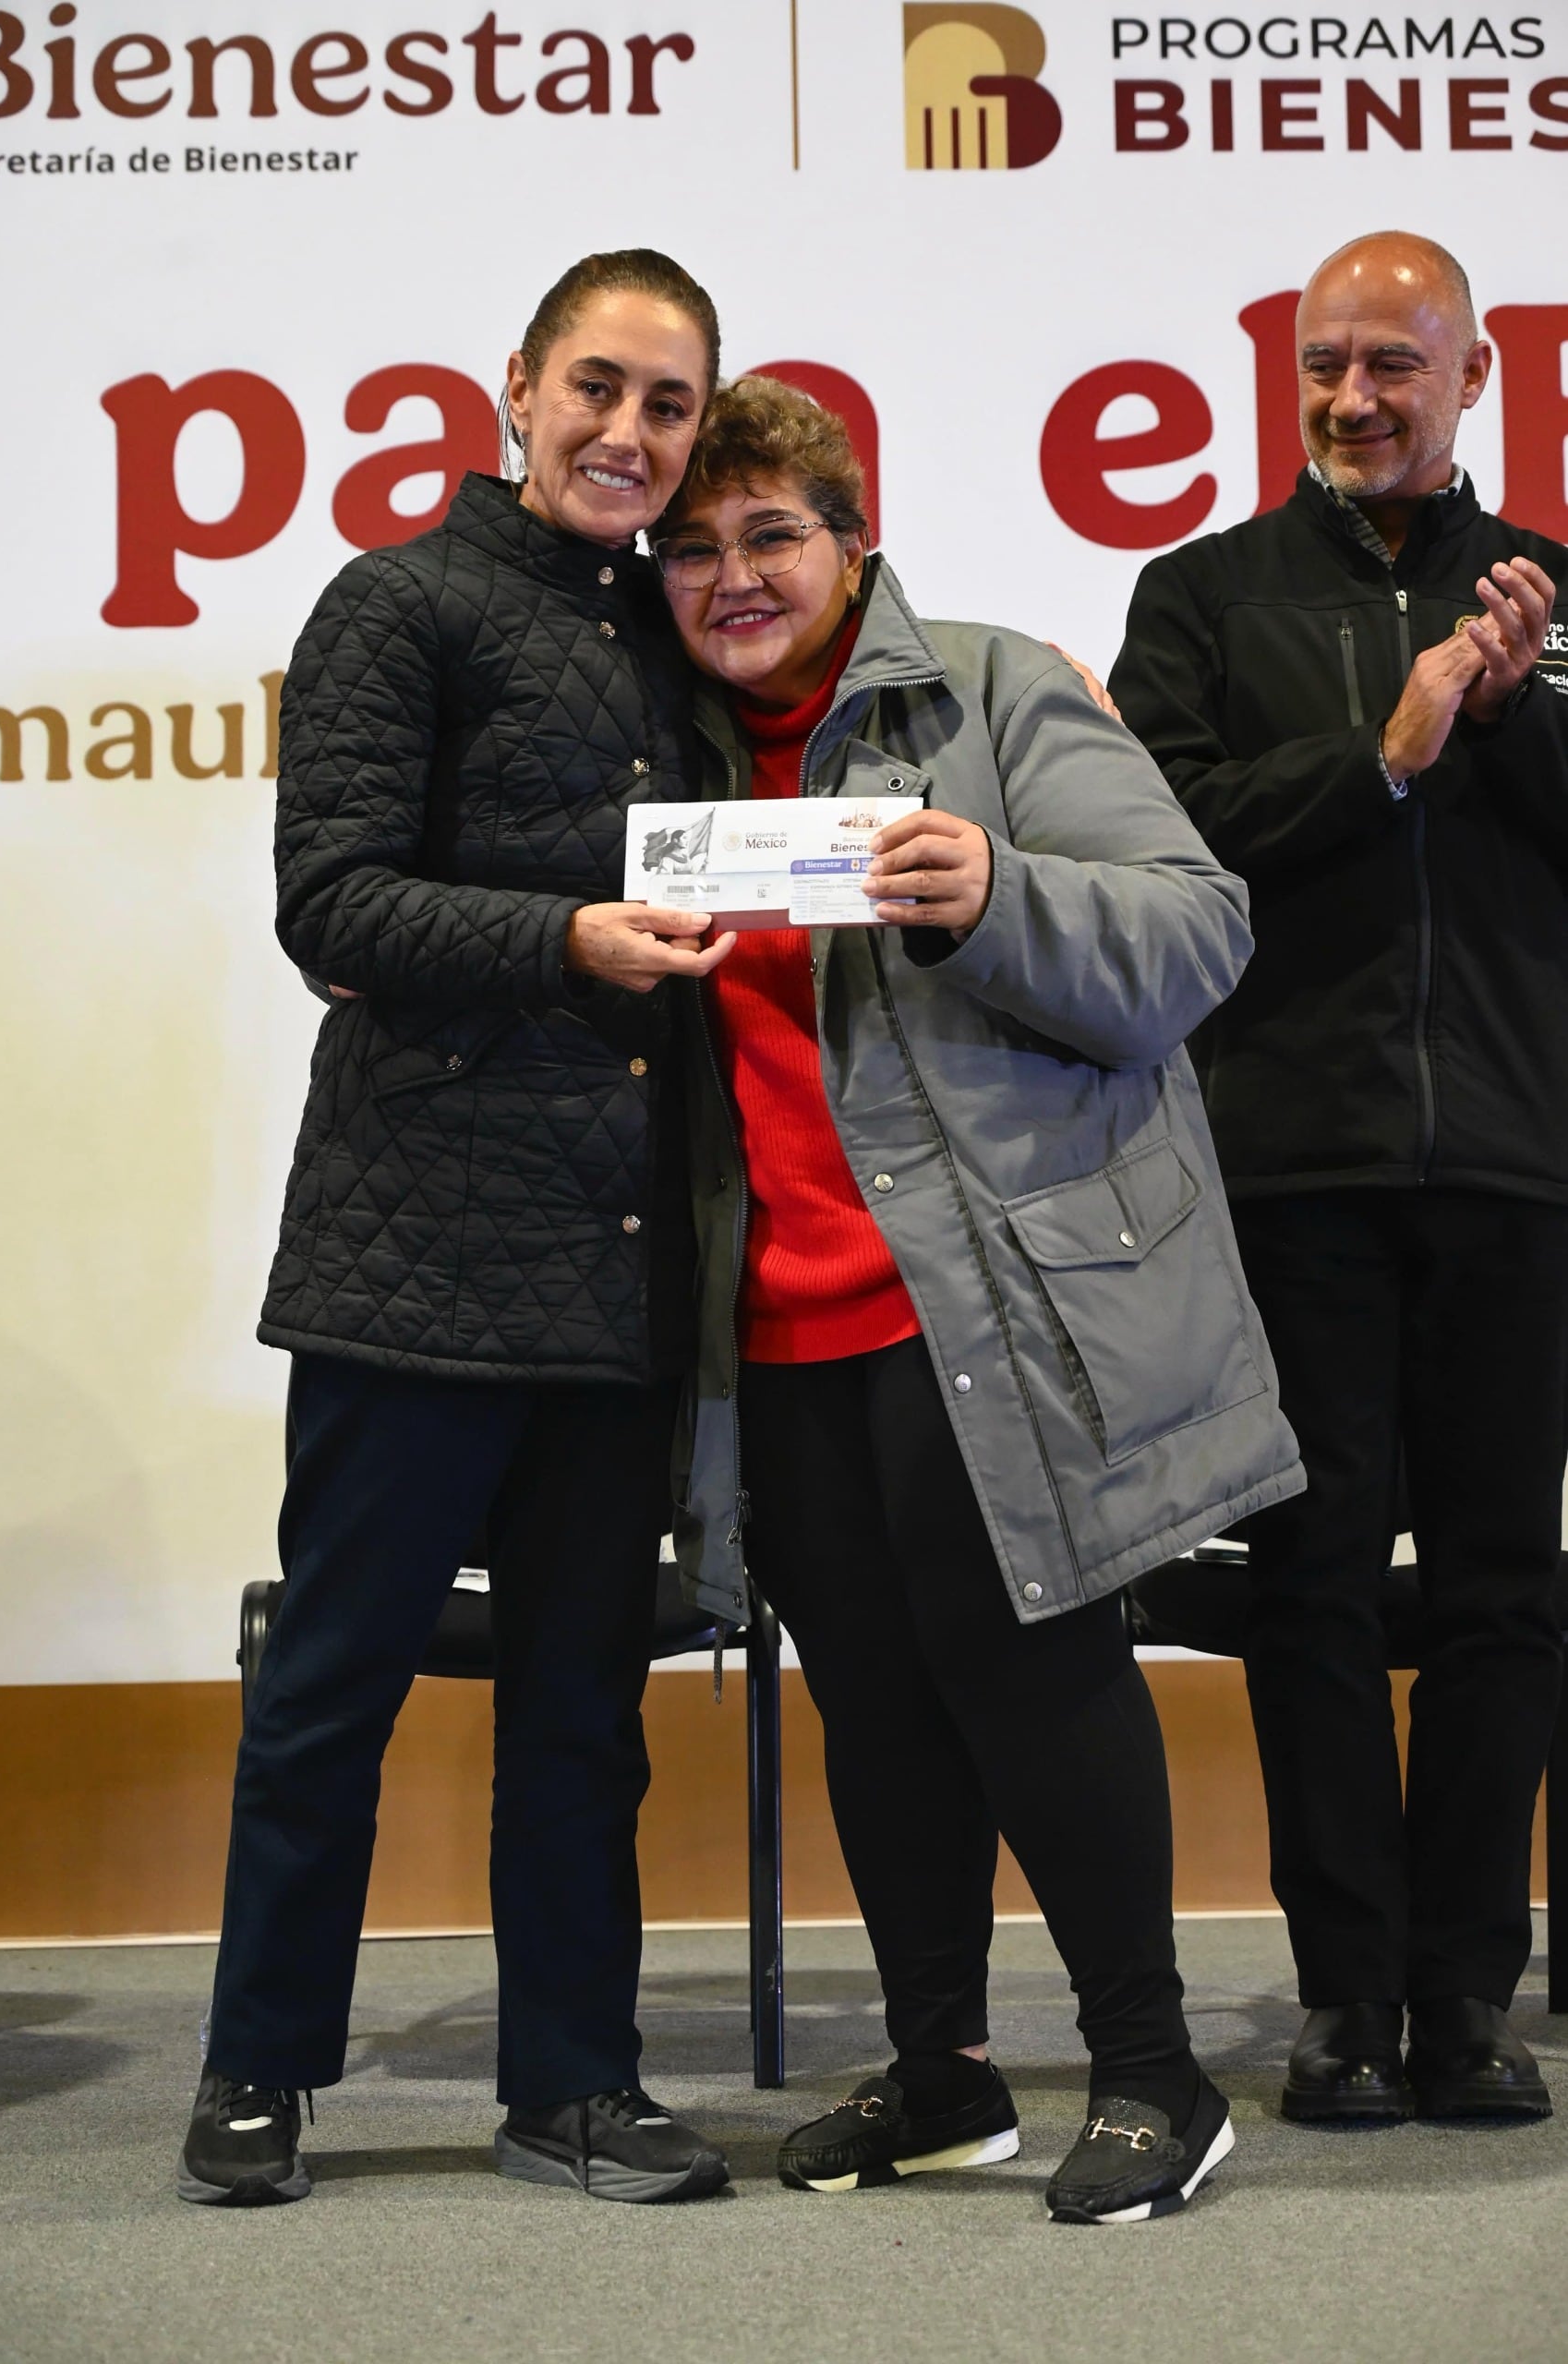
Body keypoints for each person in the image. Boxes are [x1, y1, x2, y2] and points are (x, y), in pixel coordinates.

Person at [657, 377, 1305, 2223]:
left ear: (853, 542)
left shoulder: (995, 689)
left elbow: (1194, 932)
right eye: (692, 547)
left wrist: (994, 891)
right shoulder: (657, 748)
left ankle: (1154, 2075)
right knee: (872, 1705)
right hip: (777, 1323)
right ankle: (941, 2073)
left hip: (986, 1299)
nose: (732, 575)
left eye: (771, 534)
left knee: (1035, 1678)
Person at [177, 250, 744, 2210]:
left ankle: (572, 2082)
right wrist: (562, 938)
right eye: (598, 387)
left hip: (618, 1263)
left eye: (667, 405)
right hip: (410, 1252)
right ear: (517, 386)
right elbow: (328, 901)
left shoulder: (685, 630)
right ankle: (258, 2067)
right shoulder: (394, 600)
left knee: (585, 1713)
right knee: (331, 1687)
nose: (627, 433)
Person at [1111, 231, 1568, 2127]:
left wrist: (1512, 713)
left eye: (1392, 362)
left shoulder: (1549, 595)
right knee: (1307, 1586)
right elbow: (1164, 836)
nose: (1353, 397)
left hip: (1516, 1166)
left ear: (1472, 376)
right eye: (1324, 362)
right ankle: (1342, 1997)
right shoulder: (1199, 595)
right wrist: (1381, 756)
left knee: (1497, 1593)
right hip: (1286, 1168)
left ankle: (1462, 1992)